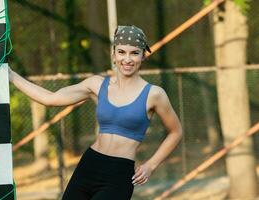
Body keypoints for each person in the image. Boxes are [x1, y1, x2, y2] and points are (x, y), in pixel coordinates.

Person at [9, 25, 182, 200]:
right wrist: (11, 75)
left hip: (118, 175)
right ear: (113, 55)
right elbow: (51, 99)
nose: (127, 59)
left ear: (143, 56)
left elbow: (176, 132)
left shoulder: (154, 94)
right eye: (121, 52)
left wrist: (150, 165)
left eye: (134, 53)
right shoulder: (97, 85)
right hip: (89, 165)